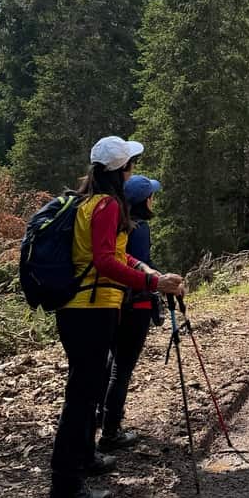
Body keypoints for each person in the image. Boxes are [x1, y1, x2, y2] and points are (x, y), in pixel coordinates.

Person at [49, 137, 183, 498]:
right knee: (82, 395)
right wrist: (153, 283)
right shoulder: (107, 205)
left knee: (89, 388)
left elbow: (117, 255)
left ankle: (85, 458)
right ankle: (65, 486)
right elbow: (106, 261)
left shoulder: (87, 201)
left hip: (81, 307)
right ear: (122, 170)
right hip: (91, 308)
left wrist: (149, 273)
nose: (133, 170)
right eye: (131, 165)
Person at [98, 174, 164, 452]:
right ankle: (111, 431)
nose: (153, 200)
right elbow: (141, 263)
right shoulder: (140, 229)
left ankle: (102, 418)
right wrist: (159, 281)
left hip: (112, 303)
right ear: (143, 201)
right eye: (151, 196)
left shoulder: (118, 225)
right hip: (136, 305)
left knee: (111, 362)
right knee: (122, 368)